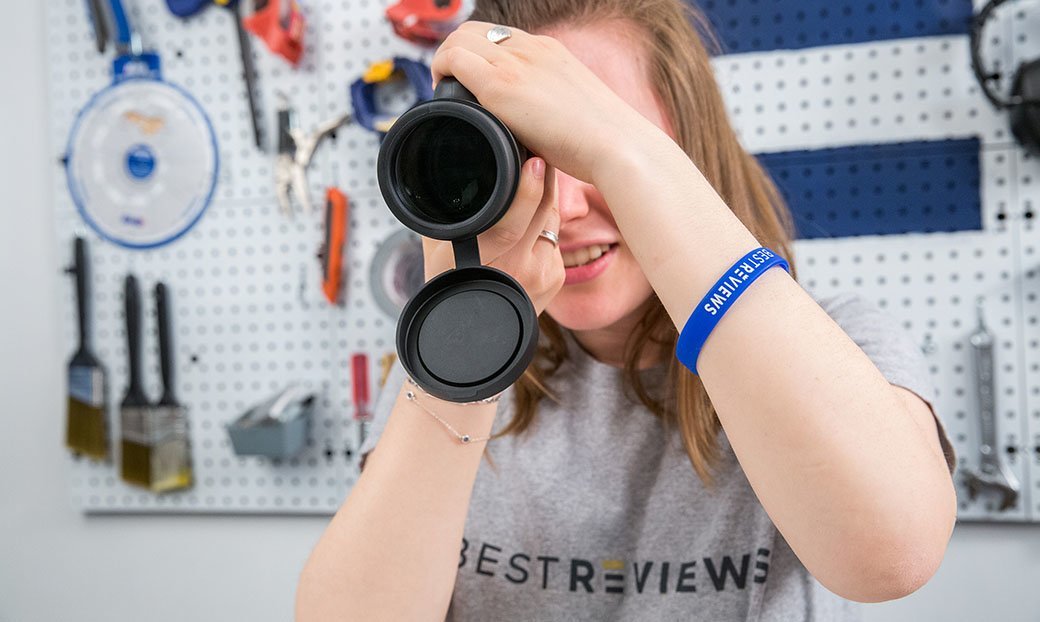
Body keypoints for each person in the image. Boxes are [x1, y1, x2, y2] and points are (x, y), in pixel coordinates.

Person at [296, 0, 959, 619]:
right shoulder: (450, 373)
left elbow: (889, 559)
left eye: (590, 149)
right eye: (528, 155)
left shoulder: (835, 343)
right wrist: (466, 329)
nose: (571, 205)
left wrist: (629, 158)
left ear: (685, 149)